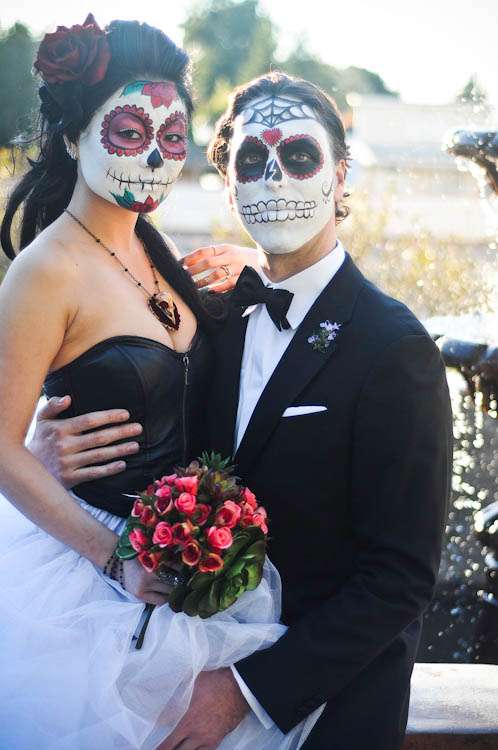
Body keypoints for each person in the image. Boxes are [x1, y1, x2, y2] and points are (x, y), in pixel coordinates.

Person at [38, 71, 454, 750]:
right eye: (252, 160)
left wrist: (248, 691)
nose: (275, 178)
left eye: (300, 156)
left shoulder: (394, 348)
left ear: (340, 176)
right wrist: (45, 452)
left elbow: (400, 579)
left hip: (324, 700)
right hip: (188, 660)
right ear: (228, 185)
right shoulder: (210, 320)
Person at [0, 17, 321, 750]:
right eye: (130, 131)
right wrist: (115, 558)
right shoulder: (46, 271)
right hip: (90, 585)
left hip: (186, 570)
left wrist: (250, 272)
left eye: (173, 137)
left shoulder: (157, 249)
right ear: (74, 135)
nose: (154, 154)